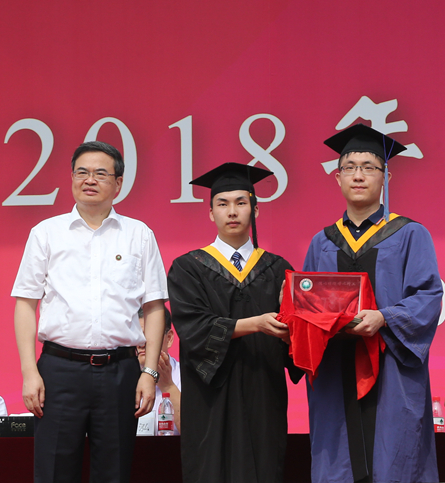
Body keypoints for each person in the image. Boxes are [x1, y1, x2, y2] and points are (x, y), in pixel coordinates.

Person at [12, 141, 167, 483]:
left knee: (114, 472)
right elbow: (25, 304)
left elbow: (155, 307)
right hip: (58, 371)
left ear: (119, 183)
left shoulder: (139, 235)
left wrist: (149, 373)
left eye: (100, 173)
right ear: (71, 178)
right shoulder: (46, 233)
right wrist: (29, 372)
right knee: (53, 472)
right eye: (81, 172)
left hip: (120, 372)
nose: (89, 180)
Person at [303, 124, 443, 483]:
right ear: (337, 178)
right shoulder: (321, 242)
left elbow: (428, 297)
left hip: (392, 367)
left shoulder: (410, 234)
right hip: (335, 370)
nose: (358, 175)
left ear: (386, 177)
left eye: (369, 167)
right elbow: (307, 306)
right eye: (349, 167)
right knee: (338, 460)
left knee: (394, 456)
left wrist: (384, 317)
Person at [167, 162, 302, 483]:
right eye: (222, 204)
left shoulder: (277, 268)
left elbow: (296, 339)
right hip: (210, 395)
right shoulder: (188, 268)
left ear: (255, 210)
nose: (232, 212)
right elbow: (194, 328)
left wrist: (294, 332)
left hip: (263, 390)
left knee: (264, 466)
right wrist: (255, 324)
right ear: (210, 212)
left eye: (241, 203)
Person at [137, 306, 181, 434]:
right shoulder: (121, 377)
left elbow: (196, 433)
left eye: (148, 336)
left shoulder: (188, 376)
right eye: (137, 336)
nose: (141, 344)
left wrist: (168, 386)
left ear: (169, 338)